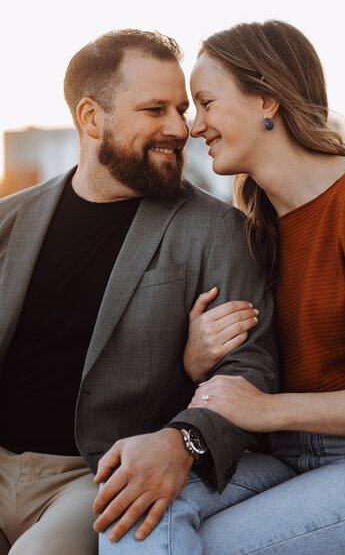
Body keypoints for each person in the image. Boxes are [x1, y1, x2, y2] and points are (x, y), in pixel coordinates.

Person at [0, 29, 280, 555]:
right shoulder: (8, 221)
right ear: (90, 118)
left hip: (99, 476)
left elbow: (251, 369)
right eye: (155, 110)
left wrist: (183, 442)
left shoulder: (217, 229)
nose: (180, 128)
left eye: (181, 108)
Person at [186, 20, 345, 554]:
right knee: (138, 509)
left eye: (206, 103)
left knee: (215, 547)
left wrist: (268, 409)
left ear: (266, 100)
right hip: (278, 458)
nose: (195, 126)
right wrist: (196, 360)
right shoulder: (253, 229)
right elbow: (247, 379)